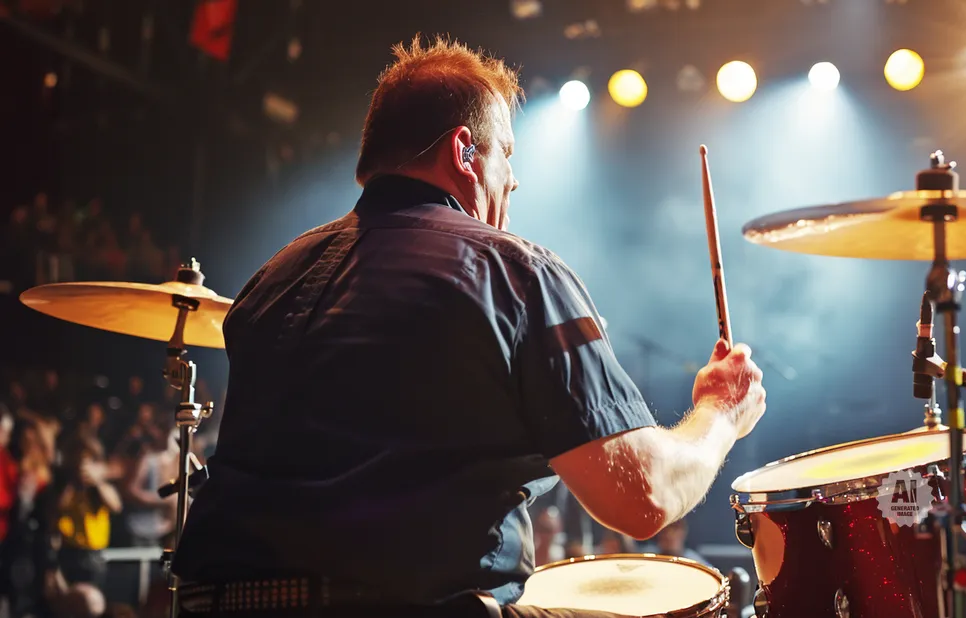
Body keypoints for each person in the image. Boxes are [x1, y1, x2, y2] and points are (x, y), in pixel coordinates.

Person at [171, 35, 766, 617]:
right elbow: (644, 497)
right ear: (463, 150)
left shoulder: (272, 280)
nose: (512, 180)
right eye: (506, 152)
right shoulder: (514, 271)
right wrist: (720, 413)